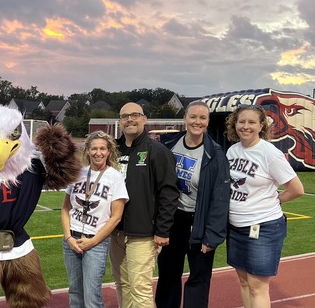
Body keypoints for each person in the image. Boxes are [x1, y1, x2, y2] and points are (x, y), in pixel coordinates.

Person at [225, 104, 304, 308]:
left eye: (252, 122)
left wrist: (275, 200)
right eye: (241, 121)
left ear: (261, 126)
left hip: (263, 227)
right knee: (243, 282)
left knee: (257, 286)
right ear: (235, 124)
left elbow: (296, 188)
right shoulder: (232, 151)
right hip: (235, 227)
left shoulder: (269, 153)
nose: (246, 126)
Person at [155, 100, 231, 308]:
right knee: (168, 275)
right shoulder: (169, 145)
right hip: (172, 219)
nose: (197, 122)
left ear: (207, 122)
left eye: (202, 118)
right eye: (193, 117)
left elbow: (220, 199)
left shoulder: (216, 154)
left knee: (198, 279)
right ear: (185, 119)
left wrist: (212, 235)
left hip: (199, 221)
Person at [109, 102, 179, 308]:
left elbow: (169, 192)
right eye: (124, 116)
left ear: (144, 119)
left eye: (134, 115)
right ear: (120, 121)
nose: (129, 119)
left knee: (140, 288)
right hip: (116, 232)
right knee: (122, 284)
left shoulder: (157, 151)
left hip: (143, 233)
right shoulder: (114, 150)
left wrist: (163, 230)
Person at [61, 131, 129, 308]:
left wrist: (93, 242)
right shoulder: (78, 174)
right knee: (75, 293)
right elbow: (65, 208)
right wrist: (68, 238)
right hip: (72, 240)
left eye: (102, 149)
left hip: (96, 242)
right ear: (87, 151)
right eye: (94, 149)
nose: (98, 153)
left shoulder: (115, 177)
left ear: (109, 151)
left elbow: (116, 217)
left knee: (92, 297)